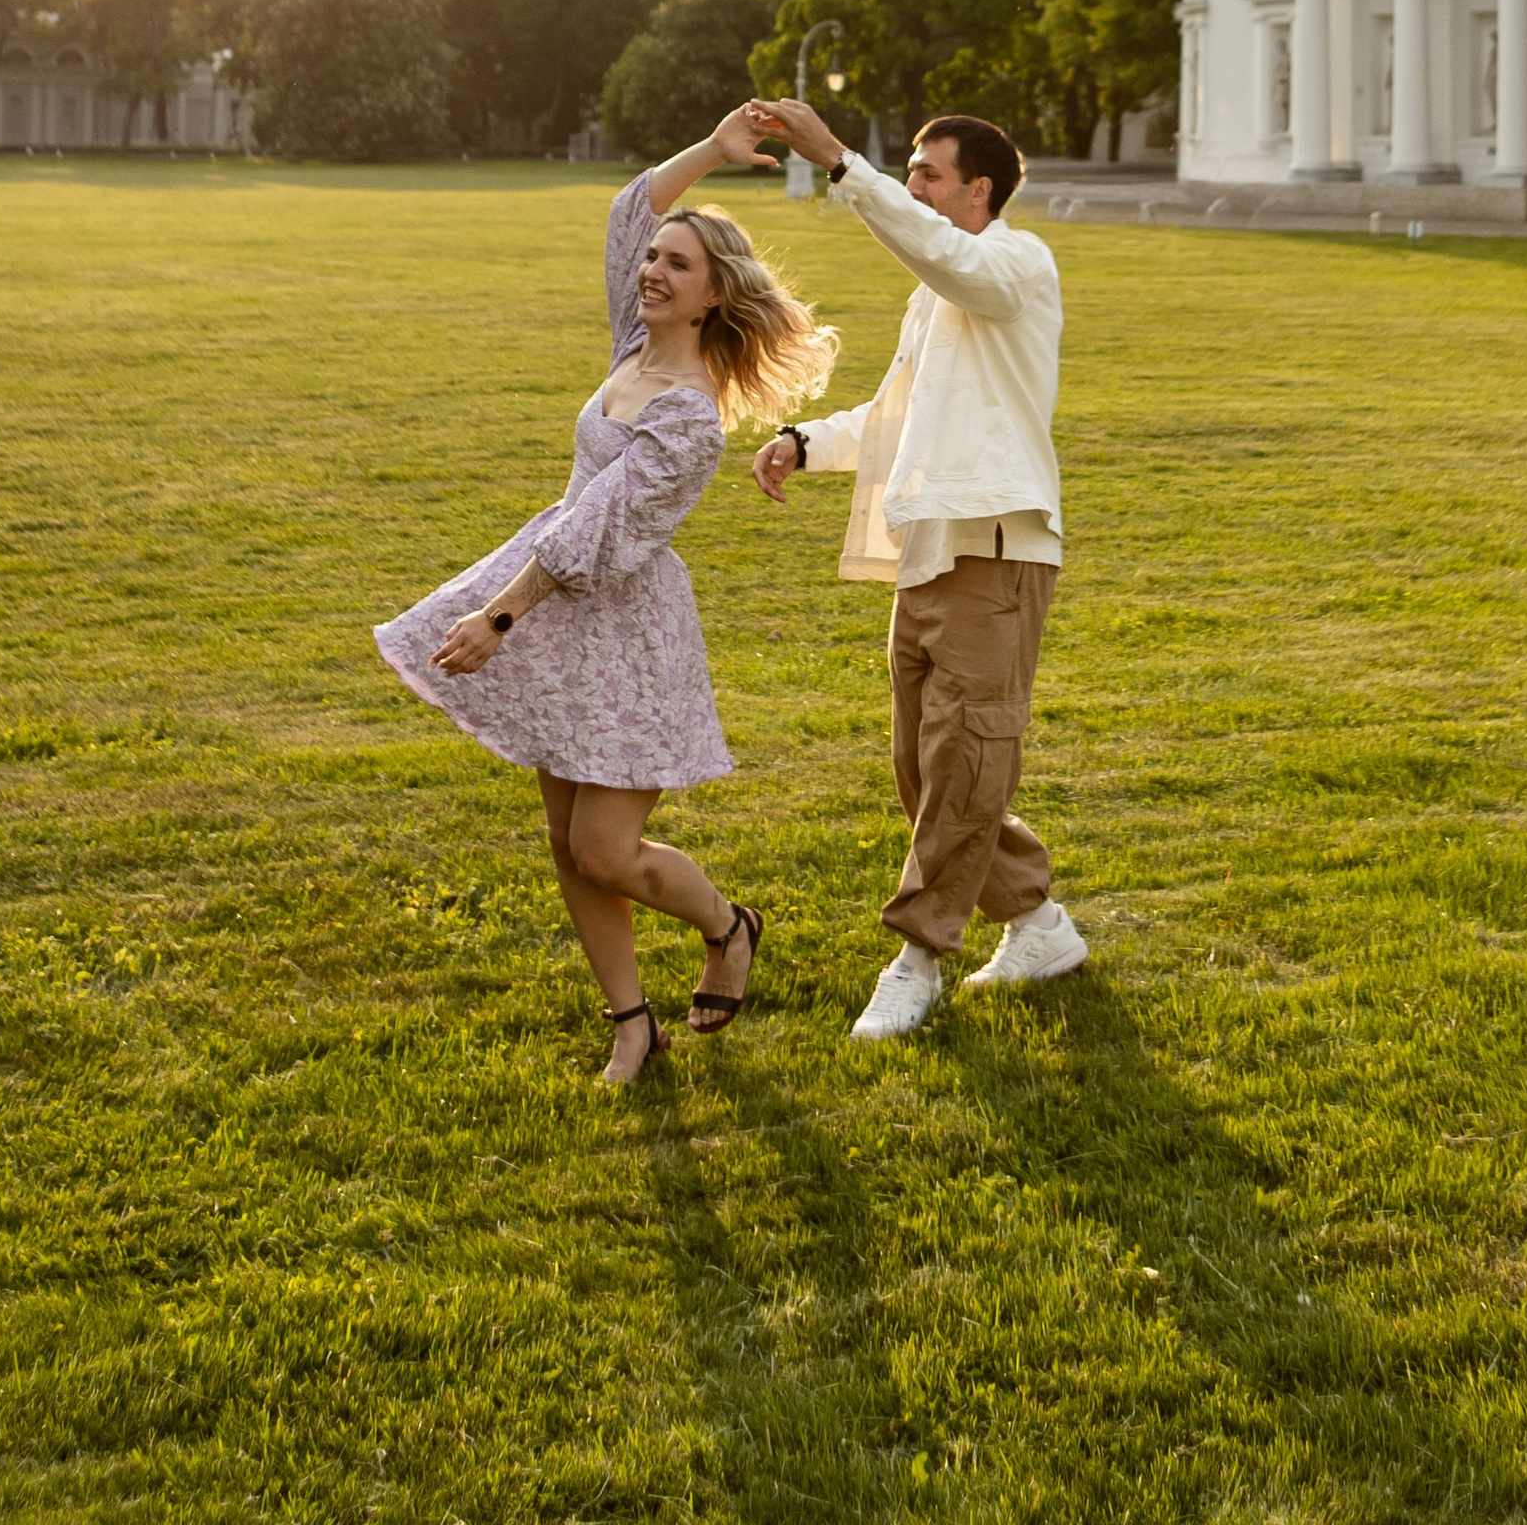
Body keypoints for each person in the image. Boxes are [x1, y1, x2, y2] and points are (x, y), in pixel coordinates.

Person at [373, 107, 837, 1085]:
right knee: (563, 836)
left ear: (712, 300)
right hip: (560, 611)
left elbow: (592, 535)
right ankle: (632, 1022)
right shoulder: (634, 343)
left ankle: (728, 924)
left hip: (621, 629)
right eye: (653, 261)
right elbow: (630, 207)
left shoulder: (688, 418)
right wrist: (713, 152)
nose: (651, 272)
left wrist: (498, 616)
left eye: (677, 267)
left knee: (606, 848)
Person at [751, 102, 1085, 1041]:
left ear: (979, 189)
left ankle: (919, 957)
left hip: (996, 547)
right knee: (927, 767)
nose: (915, 185)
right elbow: (894, 419)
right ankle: (1038, 924)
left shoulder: (1013, 265)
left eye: (928, 173)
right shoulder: (934, 294)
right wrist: (801, 443)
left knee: (965, 758)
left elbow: (950, 258)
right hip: (927, 553)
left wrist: (838, 162)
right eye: (909, 171)